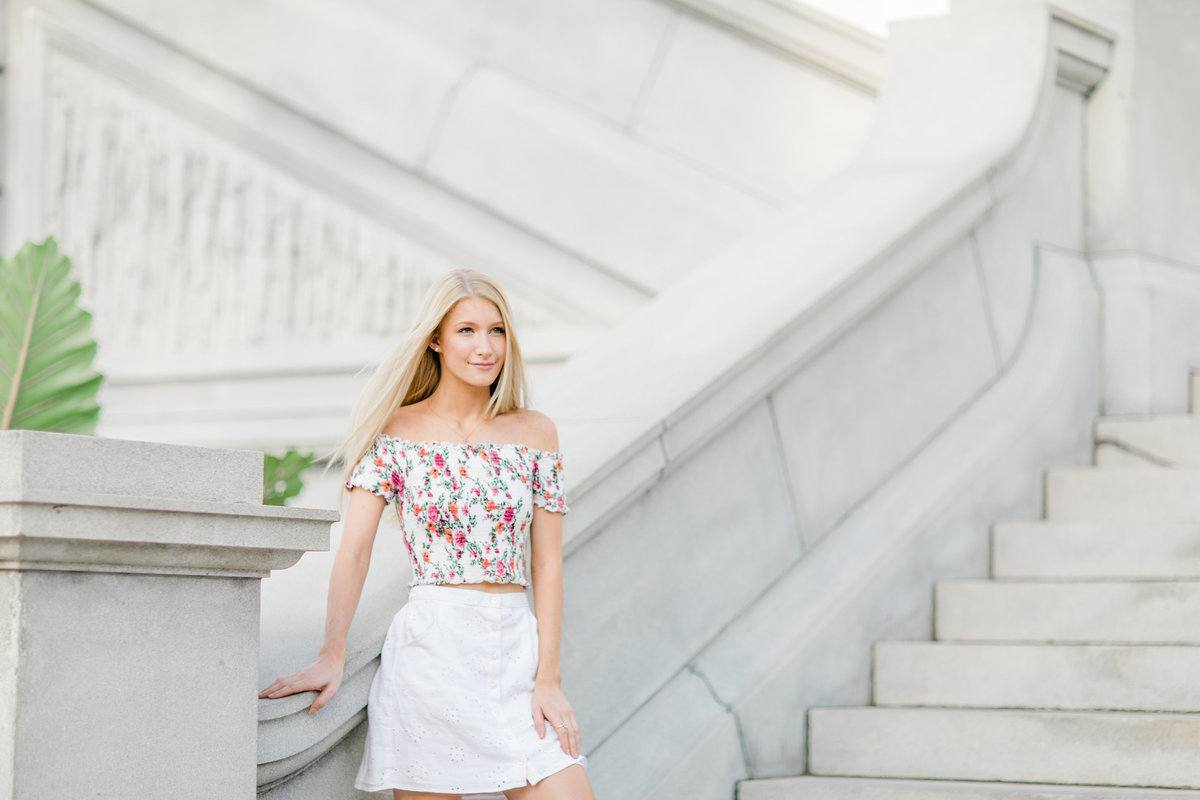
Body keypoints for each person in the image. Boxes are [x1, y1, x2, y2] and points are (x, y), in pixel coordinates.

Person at [258, 268, 595, 800]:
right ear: (435, 339)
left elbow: (548, 563)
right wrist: (332, 652)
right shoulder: (394, 431)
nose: (485, 347)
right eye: (466, 330)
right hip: (433, 654)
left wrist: (547, 677)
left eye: (497, 330)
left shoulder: (535, 432)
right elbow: (355, 549)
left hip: (515, 653)